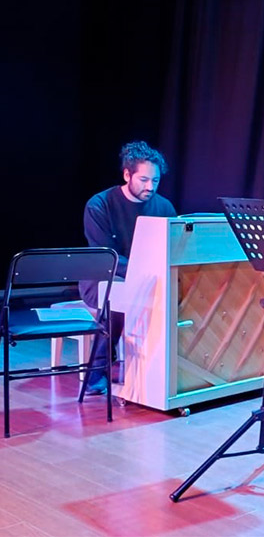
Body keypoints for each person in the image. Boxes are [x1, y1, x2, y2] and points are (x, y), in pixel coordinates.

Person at [81, 140, 177, 395]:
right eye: (144, 180)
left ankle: (164, 372)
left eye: (155, 181)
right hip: (101, 278)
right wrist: (145, 269)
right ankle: (96, 374)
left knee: (174, 293)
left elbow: (173, 248)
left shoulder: (164, 207)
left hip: (148, 276)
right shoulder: (99, 205)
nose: (150, 187)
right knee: (119, 297)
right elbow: (105, 257)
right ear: (127, 174)